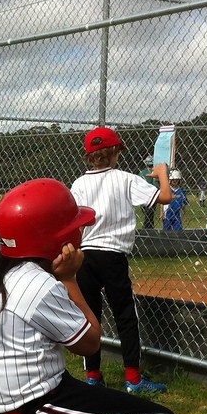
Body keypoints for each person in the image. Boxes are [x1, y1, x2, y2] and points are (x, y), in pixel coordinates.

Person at [0, 179, 188, 414]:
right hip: (30, 408)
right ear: (56, 238)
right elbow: (90, 342)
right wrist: (70, 278)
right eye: (75, 226)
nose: (79, 231)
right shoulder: (40, 285)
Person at [70, 127, 171, 394]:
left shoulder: (79, 183)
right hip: (113, 256)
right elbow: (165, 198)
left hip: (85, 255)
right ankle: (133, 379)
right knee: (125, 315)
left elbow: (75, 223)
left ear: (89, 157)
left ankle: (93, 376)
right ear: (115, 152)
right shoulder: (125, 179)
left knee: (90, 317)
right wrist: (162, 175)